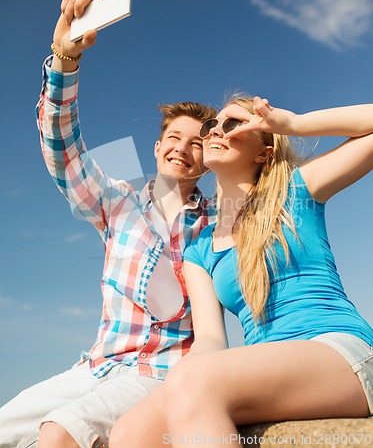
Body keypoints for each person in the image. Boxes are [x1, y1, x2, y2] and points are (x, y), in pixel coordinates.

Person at [0, 0, 217, 448]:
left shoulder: (217, 219)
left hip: (160, 371)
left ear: (208, 161)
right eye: (175, 138)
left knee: (58, 435)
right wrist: (64, 59)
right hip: (95, 365)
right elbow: (64, 151)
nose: (184, 148)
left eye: (199, 143)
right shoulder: (119, 199)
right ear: (157, 148)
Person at [109, 96, 373, 447]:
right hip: (265, 371)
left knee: (195, 380)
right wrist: (183, 378)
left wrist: (290, 124)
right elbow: (211, 340)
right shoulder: (199, 249)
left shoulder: (295, 191)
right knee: (130, 432)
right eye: (212, 126)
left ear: (263, 151)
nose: (217, 129)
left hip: (338, 351)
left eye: (233, 124)